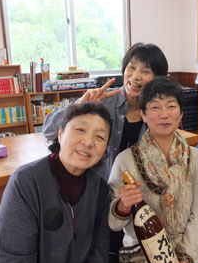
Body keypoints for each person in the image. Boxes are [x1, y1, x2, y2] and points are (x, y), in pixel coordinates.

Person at [0, 102, 112, 263]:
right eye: (80, 130)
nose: (88, 142)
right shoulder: (27, 182)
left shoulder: (100, 188)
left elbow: (98, 249)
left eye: (100, 137)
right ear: (60, 134)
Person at [108, 76, 198, 263]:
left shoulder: (194, 157)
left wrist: (186, 256)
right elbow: (114, 224)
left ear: (180, 115)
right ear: (143, 114)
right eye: (154, 107)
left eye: (171, 106)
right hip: (143, 252)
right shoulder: (125, 160)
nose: (163, 114)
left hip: (186, 242)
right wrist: (123, 206)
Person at [42, 42, 168, 181]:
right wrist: (79, 105)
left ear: (156, 79)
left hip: (134, 188)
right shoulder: (101, 99)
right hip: (95, 187)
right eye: (132, 67)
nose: (136, 76)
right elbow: (49, 131)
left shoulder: (156, 112)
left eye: (145, 71)